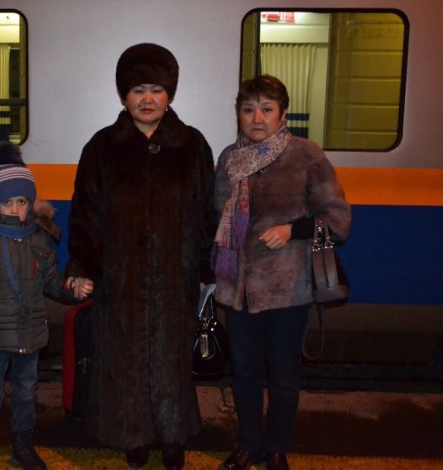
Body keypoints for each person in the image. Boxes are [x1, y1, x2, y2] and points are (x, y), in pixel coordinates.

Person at [64, 43, 217, 470]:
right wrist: (83, 267)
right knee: (125, 361)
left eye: (156, 90)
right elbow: (85, 214)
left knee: (171, 360)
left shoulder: (192, 146)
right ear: (123, 96)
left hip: (175, 277)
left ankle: (172, 436)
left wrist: (207, 268)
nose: (147, 99)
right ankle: (132, 435)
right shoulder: (101, 147)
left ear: (169, 94)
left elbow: (208, 213)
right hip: (120, 278)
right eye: (137, 90)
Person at [213, 75, 351, 470]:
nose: (257, 118)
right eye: (248, 109)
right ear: (238, 114)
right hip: (237, 288)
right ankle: (249, 446)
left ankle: (276, 448)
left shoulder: (306, 156)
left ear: (283, 114)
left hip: (287, 288)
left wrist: (294, 229)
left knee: (284, 376)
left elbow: (338, 220)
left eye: (266, 109)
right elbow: (216, 217)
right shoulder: (229, 158)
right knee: (244, 374)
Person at [0, 141, 93, 470]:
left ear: (31, 202)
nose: (16, 209)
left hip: (30, 337)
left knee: (26, 395)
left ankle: (22, 446)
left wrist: (72, 287)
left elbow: (51, 281)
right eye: (8, 202)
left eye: (22, 201)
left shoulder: (38, 238)